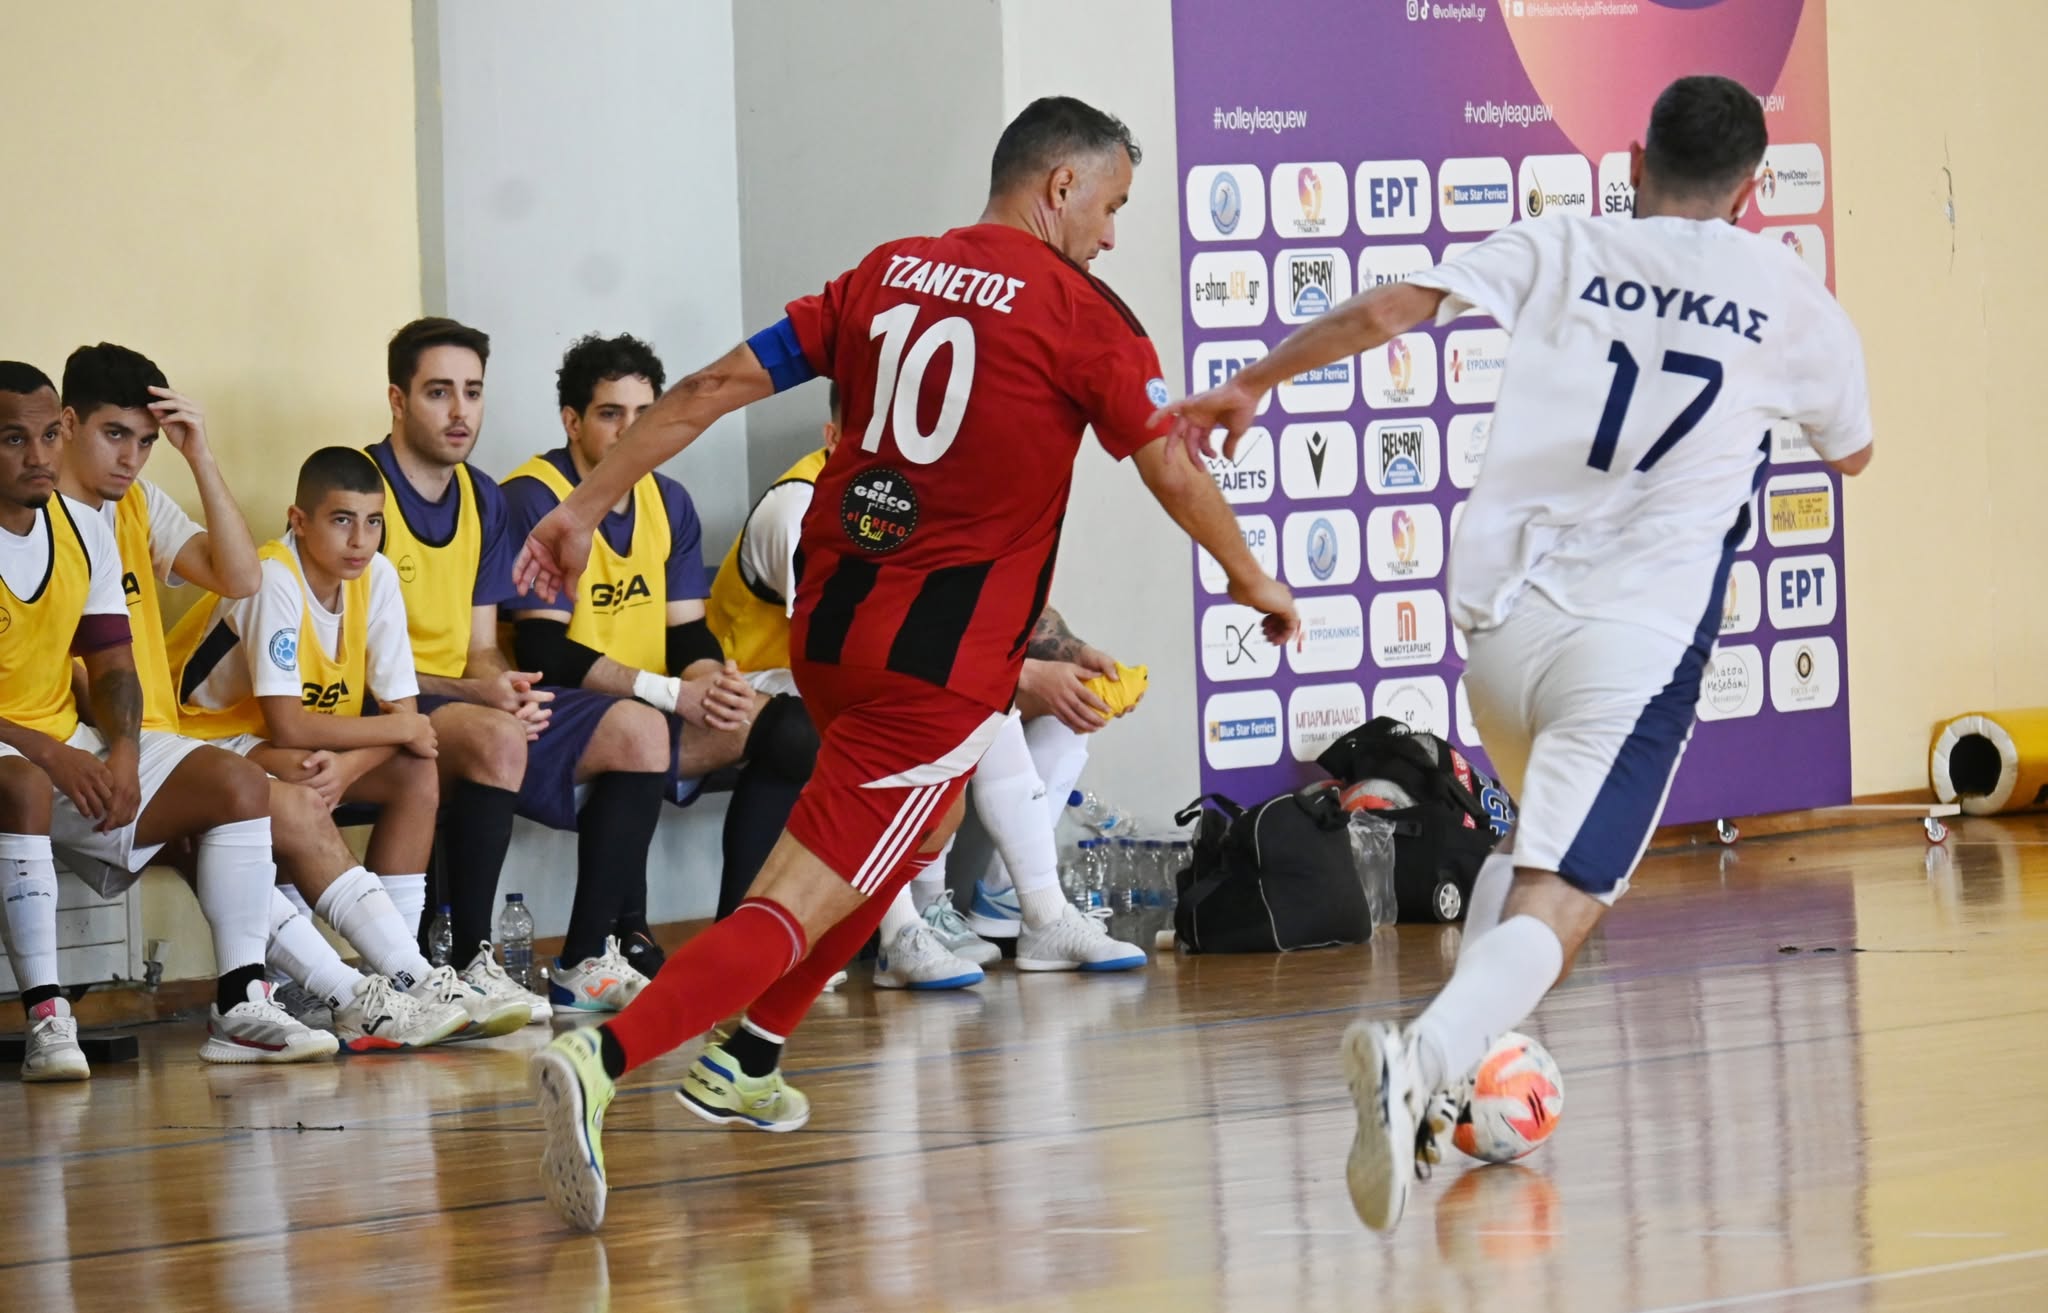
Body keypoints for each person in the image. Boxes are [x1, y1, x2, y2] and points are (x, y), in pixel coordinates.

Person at [519, 95, 1297, 1231]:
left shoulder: (882, 273)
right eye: (1114, 204)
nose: (1113, 235)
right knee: (800, 894)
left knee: (913, 835)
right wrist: (1248, 573)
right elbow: (1170, 465)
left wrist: (584, 503)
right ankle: (607, 1058)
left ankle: (754, 1053)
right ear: (1059, 186)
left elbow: (706, 391)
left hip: (830, 633)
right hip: (927, 670)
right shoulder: (1081, 314)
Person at [1157, 75, 1875, 1232]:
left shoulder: (1564, 241)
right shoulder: (1790, 298)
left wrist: (1251, 380)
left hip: (1495, 632)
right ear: (1751, 191)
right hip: (1629, 646)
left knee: (1523, 836)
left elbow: (1391, 310)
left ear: (1634, 160)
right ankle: (1421, 1056)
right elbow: (1853, 454)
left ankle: (1453, 1076)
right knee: (1569, 892)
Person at [58, 344, 473, 1052]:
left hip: (163, 744)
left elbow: (235, 574)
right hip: (112, 750)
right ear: (67, 426)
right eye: (115, 435)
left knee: (278, 793)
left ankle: (387, 985)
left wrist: (201, 458)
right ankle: (374, 987)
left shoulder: (137, 504)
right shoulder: (40, 522)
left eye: (147, 441)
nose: (132, 458)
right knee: (262, 794)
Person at [705, 383, 1145, 989]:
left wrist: (1061, 654)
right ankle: (901, 933)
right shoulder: (797, 509)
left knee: (984, 705)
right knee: (930, 706)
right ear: (834, 439)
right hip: (758, 683)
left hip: (859, 674)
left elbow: (973, 610)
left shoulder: (908, 499)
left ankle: (1039, 915)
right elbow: (860, 640)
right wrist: (1017, 672)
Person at [0, 362, 336, 1075]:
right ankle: (49, 1019)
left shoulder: (83, 528)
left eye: (42, 438)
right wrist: (61, 756)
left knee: (237, 784)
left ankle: (242, 1001)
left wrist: (121, 752)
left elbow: (113, 661)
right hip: (25, 757)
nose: (36, 457)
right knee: (25, 784)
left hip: (68, 743)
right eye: (12, 439)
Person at [369, 318, 711, 1013]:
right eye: (439, 392)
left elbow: (482, 643)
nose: (460, 411)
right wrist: (481, 694)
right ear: (398, 401)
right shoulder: (358, 492)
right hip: (376, 707)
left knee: (641, 731)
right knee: (497, 733)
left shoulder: (484, 496)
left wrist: (501, 683)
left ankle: (585, 959)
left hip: (458, 697)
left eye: (472, 391)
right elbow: (353, 661)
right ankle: (468, 961)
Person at [166, 444, 529, 1041]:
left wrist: (356, 762)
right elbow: (290, 724)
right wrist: (391, 734)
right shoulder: (272, 578)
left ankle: (409, 971)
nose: (360, 540)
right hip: (206, 740)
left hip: (288, 745)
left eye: (374, 521)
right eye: (342, 520)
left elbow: (404, 713)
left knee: (416, 770)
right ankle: (394, 979)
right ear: (299, 520)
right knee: (318, 765)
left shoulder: (376, 576)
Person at [499, 332, 768, 974]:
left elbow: (686, 636)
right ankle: (591, 953)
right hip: (553, 711)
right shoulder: (534, 495)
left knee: (775, 727)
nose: (630, 431)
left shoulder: (669, 500)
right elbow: (545, 649)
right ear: (572, 421)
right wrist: (674, 693)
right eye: (610, 414)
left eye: (645, 416)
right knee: (641, 731)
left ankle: (739, 940)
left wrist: (710, 682)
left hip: (643, 704)